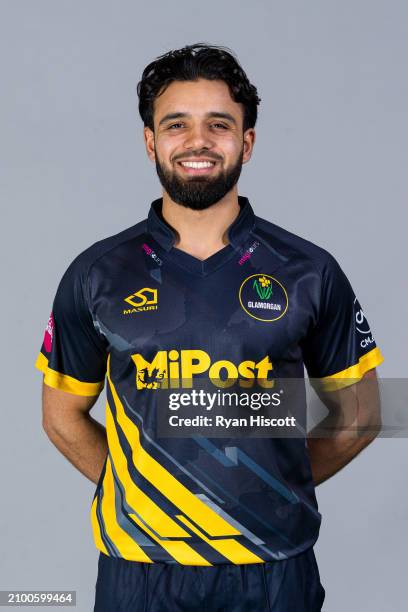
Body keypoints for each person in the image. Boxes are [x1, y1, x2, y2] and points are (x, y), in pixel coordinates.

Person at [35, 43, 384, 611]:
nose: (197, 141)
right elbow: (60, 416)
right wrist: (145, 491)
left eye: (218, 125)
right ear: (151, 140)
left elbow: (364, 414)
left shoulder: (309, 271)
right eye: (177, 124)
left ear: (246, 141)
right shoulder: (96, 272)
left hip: (273, 571)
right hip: (141, 573)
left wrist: (272, 489)